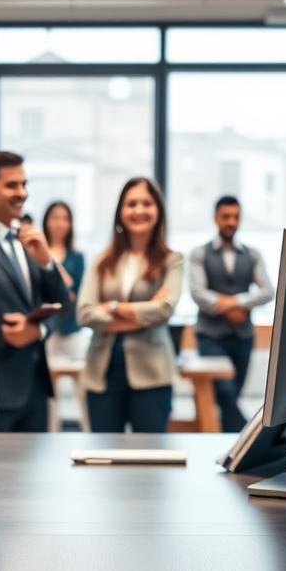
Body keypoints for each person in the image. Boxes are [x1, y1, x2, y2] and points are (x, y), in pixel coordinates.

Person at [0, 150, 69, 433]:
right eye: (12, 185)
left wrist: (47, 262)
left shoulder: (29, 240)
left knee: (36, 479)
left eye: (24, 184)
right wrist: (5, 335)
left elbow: (62, 304)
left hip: (35, 390)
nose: (22, 193)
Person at [77, 178, 183, 433]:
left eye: (146, 203)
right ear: (120, 212)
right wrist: (142, 312)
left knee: (151, 458)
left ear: (158, 210)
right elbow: (83, 313)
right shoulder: (101, 260)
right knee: (102, 455)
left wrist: (110, 307)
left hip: (152, 373)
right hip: (102, 372)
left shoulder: (172, 260)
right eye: (131, 203)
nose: (139, 210)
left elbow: (164, 309)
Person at [188, 195, 274, 432]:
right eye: (226, 217)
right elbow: (197, 293)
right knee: (224, 391)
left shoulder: (252, 254)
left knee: (232, 395)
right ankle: (251, 432)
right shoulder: (199, 254)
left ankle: (229, 450)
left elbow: (268, 291)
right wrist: (232, 307)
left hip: (243, 337)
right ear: (216, 218)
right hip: (209, 336)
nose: (231, 222)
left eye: (236, 217)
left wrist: (236, 302)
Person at [42, 201, 89, 431]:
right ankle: (51, 433)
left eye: (64, 218)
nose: (59, 223)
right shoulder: (36, 253)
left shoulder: (77, 257)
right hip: (48, 332)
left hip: (72, 331)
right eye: (54, 217)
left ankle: (89, 433)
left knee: (82, 391)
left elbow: (73, 293)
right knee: (50, 396)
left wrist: (52, 266)